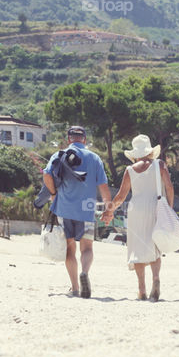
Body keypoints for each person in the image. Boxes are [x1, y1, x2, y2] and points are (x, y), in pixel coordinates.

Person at [101, 135, 174, 301]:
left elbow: (120, 196)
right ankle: (155, 278)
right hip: (156, 207)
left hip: (136, 210)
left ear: (135, 153)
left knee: (138, 248)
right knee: (155, 246)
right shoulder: (160, 165)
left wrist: (109, 211)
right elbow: (169, 187)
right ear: (149, 151)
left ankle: (142, 289)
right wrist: (169, 208)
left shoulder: (130, 170)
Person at [42, 126, 110, 298]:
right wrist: (108, 210)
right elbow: (103, 186)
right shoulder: (94, 158)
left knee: (70, 250)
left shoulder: (59, 155)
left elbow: (46, 175)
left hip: (64, 210)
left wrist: (53, 193)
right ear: (84, 140)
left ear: (68, 139)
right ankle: (85, 273)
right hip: (86, 211)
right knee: (87, 247)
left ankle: (74, 288)